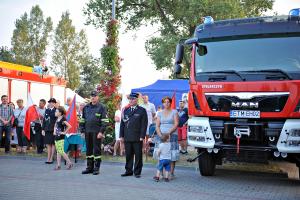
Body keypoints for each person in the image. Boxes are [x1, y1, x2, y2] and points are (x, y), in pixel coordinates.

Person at [120, 92, 148, 178]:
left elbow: (144, 124)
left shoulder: (142, 110)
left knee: (138, 155)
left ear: (137, 100)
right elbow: (122, 124)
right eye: (130, 99)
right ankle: (128, 171)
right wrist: (121, 136)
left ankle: (137, 172)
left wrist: (142, 136)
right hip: (127, 136)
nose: (131, 100)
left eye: (133, 99)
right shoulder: (126, 110)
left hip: (137, 137)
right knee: (128, 155)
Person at [80, 90, 108, 175]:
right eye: (92, 96)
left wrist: (101, 132)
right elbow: (83, 120)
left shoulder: (102, 107)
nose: (93, 97)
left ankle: (96, 168)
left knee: (96, 150)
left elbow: (105, 121)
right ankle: (89, 167)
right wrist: (82, 130)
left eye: (95, 96)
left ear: (97, 97)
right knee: (88, 150)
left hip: (97, 132)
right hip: (87, 132)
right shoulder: (86, 107)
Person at [155, 96, 179, 178]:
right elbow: (157, 125)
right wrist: (160, 135)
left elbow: (176, 123)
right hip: (161, 136)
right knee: (161, 154)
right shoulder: (160, 113)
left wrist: (168, 133)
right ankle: (160, 173)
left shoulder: (174, 112)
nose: (166, 103)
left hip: (172, 135)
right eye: (165, 102)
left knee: (172, 155)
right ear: (163, 103)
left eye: (168, 102)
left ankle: (170, 174)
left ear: (170, 103)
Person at [53, 106, 73, 170]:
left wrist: (64, 132)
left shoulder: (63, 119)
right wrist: (54, 131)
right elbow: (55, 126)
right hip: (57, 135)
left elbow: (69, 126)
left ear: (60, 113)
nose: (55, 112)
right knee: (58, 151)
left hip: (60, 136)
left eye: (56, 111)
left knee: (61, 151)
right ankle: (58, 165)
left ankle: (69, 162)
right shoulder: (57, 119)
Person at [42, 98, 57, 164]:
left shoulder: (56, 110)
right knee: (48, 144)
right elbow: (44, 120)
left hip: (53, 129)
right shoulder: (47, 110)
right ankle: (48, 158)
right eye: (50, 102)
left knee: (53, 144)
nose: (51, 103)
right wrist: (43, 129)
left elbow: (57, 121)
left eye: (52, 102)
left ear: (54, 103)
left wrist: (56, 130)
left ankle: (51, 158)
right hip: (47, 129)